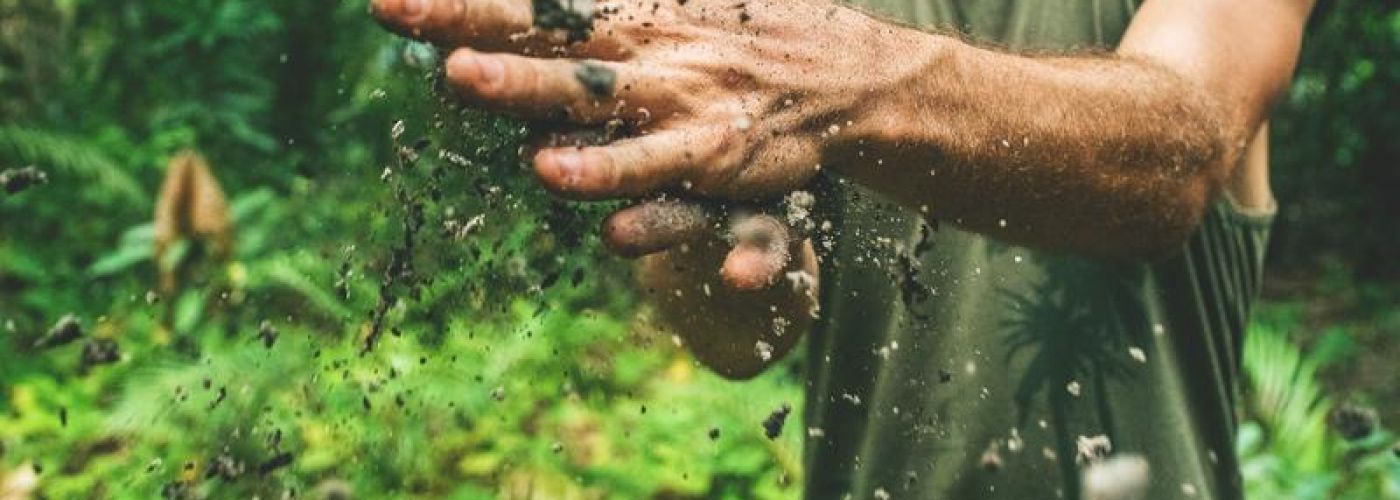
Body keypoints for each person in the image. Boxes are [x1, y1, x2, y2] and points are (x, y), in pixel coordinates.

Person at [371, 0, 1314, 497]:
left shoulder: (803, 37)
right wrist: (732, 251)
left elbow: (1172, 156)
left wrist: (847, 83)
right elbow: (739, 339)